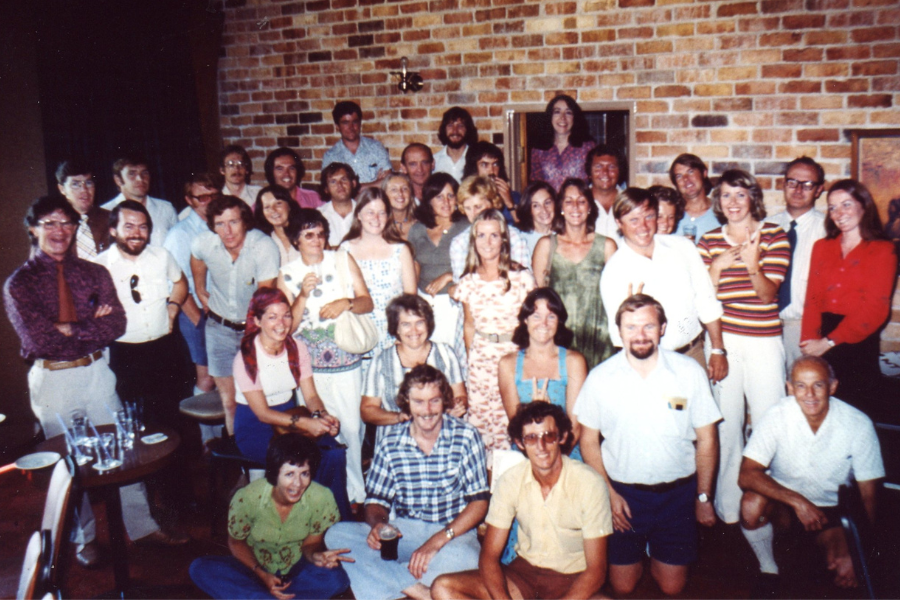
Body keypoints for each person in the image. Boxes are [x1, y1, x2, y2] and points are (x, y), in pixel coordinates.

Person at [4, 196, 185, 567]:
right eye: (50, 223)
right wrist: (89, 325)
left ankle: (143, 527)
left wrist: (69, 328)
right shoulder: (19, 284)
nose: (59, 231)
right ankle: (83, 539)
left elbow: (115, 324)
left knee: (125, 449)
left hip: (97, 373)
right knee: (69, 462)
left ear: (76, 229)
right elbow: (38, 341)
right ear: (33, 229)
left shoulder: (93, 273)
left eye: (66, 223)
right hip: (52, 380)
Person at [575, 294, 721, 596]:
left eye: (648, 326)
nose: (640, 335)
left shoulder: (689, 372)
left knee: (672, 587)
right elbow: (588, 440)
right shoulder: (600, 378)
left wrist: (703, 497)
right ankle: (642, 549)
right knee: (623, 586)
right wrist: (608, 494)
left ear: (663, 328)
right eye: (630, 327)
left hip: (677, 495)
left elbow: (707, 438)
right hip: (624, 497)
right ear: (618, 331)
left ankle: (658, 552)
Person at [324, 365, 490, 600]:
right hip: (404, 532)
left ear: (444, 401)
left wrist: (436, 542)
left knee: (466, 558)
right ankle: (421, 591)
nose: (427, 410)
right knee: (337, 534)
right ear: (406, 403)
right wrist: (379, 526)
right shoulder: (390, 442)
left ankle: (385, 583)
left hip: (453, 535)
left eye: (434, 401)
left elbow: (479, 503)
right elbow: (375, 502)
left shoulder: (466, 436)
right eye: (419, 402)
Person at [432, 402, 612, 600]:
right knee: (443, 588)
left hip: (572, 580)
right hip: (523, 576)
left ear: (561, 437)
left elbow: (597, 570)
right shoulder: (511, 480)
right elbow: (489, 556)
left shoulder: (590, 483)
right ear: (520, 443)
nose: (541, 447)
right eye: (531, 438)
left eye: (548, 436)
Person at [738, 357, 884, 591]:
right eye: (801, 385)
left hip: (831, 512)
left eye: (818, 385)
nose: (810, 394)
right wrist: (799, 502)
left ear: (832, 386)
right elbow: (746, 475)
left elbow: (869, 496)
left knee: (844, 566)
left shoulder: (858, 424)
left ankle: (826, 552)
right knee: (750, 505)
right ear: (790, 388)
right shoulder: (776, 415)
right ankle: (768, 569)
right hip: (786, 506)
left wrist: (857, 552)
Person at [697, 169, 790, 525]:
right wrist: (718, 267)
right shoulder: (708, 241)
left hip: (764, 342)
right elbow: (702, 298)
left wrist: (752, 264)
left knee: (768, 422)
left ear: (752, 197)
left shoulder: (774, 235)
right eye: (725, 195)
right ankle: (730, 508)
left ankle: (769, 505)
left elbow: (767, 295)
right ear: (717, 202)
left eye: (740, 194)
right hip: (724, 342)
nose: (733, 202)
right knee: (727, 424)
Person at [277, 209, 374, 505]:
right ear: (296, 239)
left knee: (352, 427)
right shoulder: (287, 273)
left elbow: (367, 302)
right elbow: (286, 326)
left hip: (345, 358)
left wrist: (346, 303)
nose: (316, 240)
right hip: (309, 366)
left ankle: (357, 491)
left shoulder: (341, 259)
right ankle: (328, 492)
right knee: (319, 429)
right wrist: (302, 296)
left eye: (320, 234)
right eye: (308, 235)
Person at [231, 287, 350, 517]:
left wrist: (322, 417)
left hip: (290, 417)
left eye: (286, 315)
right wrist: (306, 424)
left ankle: (338, 520)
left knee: (334, 452)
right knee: (298, 463)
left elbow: (311, 396)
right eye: (272, 317)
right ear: (257, 321)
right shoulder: (245, 357)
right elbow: (263, 413)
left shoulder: (297, 347)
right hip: (256, 426)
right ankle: (304, 519)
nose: (281, 323)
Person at [190, 434, 352, 600]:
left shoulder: (322, 497)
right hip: (255, 567)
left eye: (304, 474)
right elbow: (236, 542)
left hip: (297, 570)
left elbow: (311, 544)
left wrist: (315, 556)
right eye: (289, 474)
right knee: (200, 568)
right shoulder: (248, 498)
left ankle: (260, 597)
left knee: (337, 579)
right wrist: (262, 574)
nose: (298, 483)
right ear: (275, 473)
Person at [600, 188, 728, 381]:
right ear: (619, 222)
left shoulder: (683, 248)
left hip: (693, 353)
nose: (643, 226)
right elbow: (620, 337)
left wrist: (718, 350)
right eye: (634, 220)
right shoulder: (614, 271)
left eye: (649, 216)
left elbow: (706, 300)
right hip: (648, 364)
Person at [800, 179, 898, 415]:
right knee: (820, 412)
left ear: (864, 205)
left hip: (858, 341)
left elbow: (875, 309)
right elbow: (812, 298)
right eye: (832, 207)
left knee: (854, 412)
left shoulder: (883, 250)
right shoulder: (822, 247)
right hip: (822, 336)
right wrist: (808, 342)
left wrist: (827, 343)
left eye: (846, 204)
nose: (838, 213)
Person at [191, 195, 281, 434]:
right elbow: (196, 256)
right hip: (218, 331)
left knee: (259, 402)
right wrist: (199, 288)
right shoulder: (204, 243)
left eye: (233, 222)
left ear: (245, 222)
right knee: (229, 403)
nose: (227, 231)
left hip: (252, 331)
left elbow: (263, 298)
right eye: (220, 224)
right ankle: (237, 452)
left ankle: (262, 455)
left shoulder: (263, 247)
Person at [94, 200, 188, 427]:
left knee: (172, 417)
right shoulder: (99, 266)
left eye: (143, 227)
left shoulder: (162, 256)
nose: (137, 233)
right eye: (129, 226)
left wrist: (173, 307)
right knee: (136, 421)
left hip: (165, 348)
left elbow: (180, 282)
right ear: (113, 230)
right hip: (125, 354)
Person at [456, 210, 536, 461]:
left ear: (504, 239)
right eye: (481, 235)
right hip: (481, 357)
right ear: (473, 240)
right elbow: (469, 325)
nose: (488, 242)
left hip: (512, 354)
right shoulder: (468, 281)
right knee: (482, 422)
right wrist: (472, 360)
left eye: (494, 235)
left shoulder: (521, 277)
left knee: (511, 419)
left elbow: (532, 324)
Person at [532, 177, 617, 370]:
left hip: (600, 339)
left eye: (581, 201)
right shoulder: (546, 246)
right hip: (560, 339)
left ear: (590, 207)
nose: (576, 207)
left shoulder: (607, 246)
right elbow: (537, 299)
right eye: (569, 201)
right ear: (561, 207)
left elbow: (616, 297)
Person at [361, 294, 467, 444]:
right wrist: (398, 417)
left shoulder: (446, 353)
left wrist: (456, 407)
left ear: (428, 324)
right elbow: (367, 410)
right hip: (395, 441)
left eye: (419, 322)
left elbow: (461, 396)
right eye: (406, 324)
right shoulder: (381, 360)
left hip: (441, 437)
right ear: (396, 328)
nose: (414, 330)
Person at [499, 287, 587, 459]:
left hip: (566, 453)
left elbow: (575, 428)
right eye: (536, 316)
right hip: (527, 453)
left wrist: (553, 463)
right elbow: (517, 427)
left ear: (559, 321)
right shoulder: (508, 364)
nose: (544, 323)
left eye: (551, 316)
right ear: (525, 319)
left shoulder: (574, 361)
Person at [340, 187, 417, 355]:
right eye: (370, 212)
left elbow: (410, 298)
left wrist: (403, 334)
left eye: (382, 213)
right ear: (358, 215)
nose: (376, 218)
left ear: (388, 216)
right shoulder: (345, 249)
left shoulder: (400, 250)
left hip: (393, 332)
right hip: (359, 332)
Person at [163, 173, 221, 398]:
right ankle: (202, 422)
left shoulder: (218, 227)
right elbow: (176, 283)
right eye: (202, 197)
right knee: (206, 378)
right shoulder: (180, 234)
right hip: (195, 313)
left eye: (213, 195)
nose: (210, 201)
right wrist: (198, 322)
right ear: (189, 200)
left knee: (223, 375)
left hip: (220, 312)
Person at [771, 157, 827, 369]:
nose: (798, 190)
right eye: (792, 182)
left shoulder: (828, 230)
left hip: (804, 329)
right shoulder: (767, 226)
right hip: (766, 326)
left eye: (807, 184)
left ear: (819, 189)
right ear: (784, 184)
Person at [408, 173, 469, 347]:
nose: (446, 202)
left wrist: (449, 276)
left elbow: (478, 265)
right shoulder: (417, 229)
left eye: (451, 196)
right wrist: (413, 300)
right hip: (425, 300)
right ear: (429, 200)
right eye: (439, 197)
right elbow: (414, 264)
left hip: (454, 301)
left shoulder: (466, 227)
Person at [449, 175, 530, 283]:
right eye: (468, 208)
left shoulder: (513, 237)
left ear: (493, 203)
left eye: (478, 207)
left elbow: (524, 280)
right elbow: (461, 285)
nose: (473, 214)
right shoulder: (460, 243)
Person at [101, 155, 177, 246]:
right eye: (132, 174)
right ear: (118, 180)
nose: (140, 179)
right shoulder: (105, 212)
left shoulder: (165, 209)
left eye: (144, 173)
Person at [529, 94, 596, 192]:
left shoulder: (587, 147)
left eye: (568, 113)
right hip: (549, 202)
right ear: (550, 116)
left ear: (574, 117)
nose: (563, 118)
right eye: (557, 112)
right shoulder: (538, 150)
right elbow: (536, 185)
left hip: (577, 201)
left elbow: (595, 181)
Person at [322, 100, 392, 186]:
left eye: (355, 122)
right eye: (345, 123)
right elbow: (330, 188)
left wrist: (354, 188)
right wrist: (375, 184)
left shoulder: (376, 147)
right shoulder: (330, 156)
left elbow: (388, 181)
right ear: (337, 126)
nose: (351, 127)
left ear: (360, 123)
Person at [55, 159, 110, 259]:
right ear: (62, 189)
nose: (84, 190)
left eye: (88, 183)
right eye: (75, 184)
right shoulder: (55, 225)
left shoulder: (111, 219)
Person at [462, 141, 519, 222]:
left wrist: (510, 204)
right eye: (484, 165)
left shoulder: (514, 197)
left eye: (495, 164)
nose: (491, 171)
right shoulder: (465, 198)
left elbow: (525, 228)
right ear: (473, 168)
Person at [669, 153, 719, 242]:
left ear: (704, 173)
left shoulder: (721, 212)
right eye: (679, 176)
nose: (686, 179)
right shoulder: (672, 215)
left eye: (690, 172)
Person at [586, 145, 626, 240]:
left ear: (619, 171)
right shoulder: (579, 203)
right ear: (589, 172)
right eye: (598, 167)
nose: (605, 172)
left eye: (611, 167)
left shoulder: (630, 202)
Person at [255, 184, 302, 265]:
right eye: (267, 207)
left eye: (278, 203)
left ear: (289, 205)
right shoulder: (261, 242)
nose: (273, 210)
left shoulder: (305, 234)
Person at [318, 162, 359, 247]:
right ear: (326, 189)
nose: (339, 185)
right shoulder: (319, 215)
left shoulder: (365, 212)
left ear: (353, 183)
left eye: (344, 179)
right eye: (333, 182)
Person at [434, 106, 478, 184]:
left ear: (467, 130)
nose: (455, 131)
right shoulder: (434, 161)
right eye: (450, 125)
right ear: (444, 129)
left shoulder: (477, 160)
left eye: (460, 126)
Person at [515, 181, 556, 261]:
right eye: (536, 206)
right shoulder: (521, 238)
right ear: (528, 209)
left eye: (547, 203)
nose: (544, 210)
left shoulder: (564, 234)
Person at [381, 172, 417, 239]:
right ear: (384, 195)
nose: (400, 193)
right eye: (394, 189)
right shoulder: (379, 226)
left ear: (410, 194)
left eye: (404, 189)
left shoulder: (421, 224)